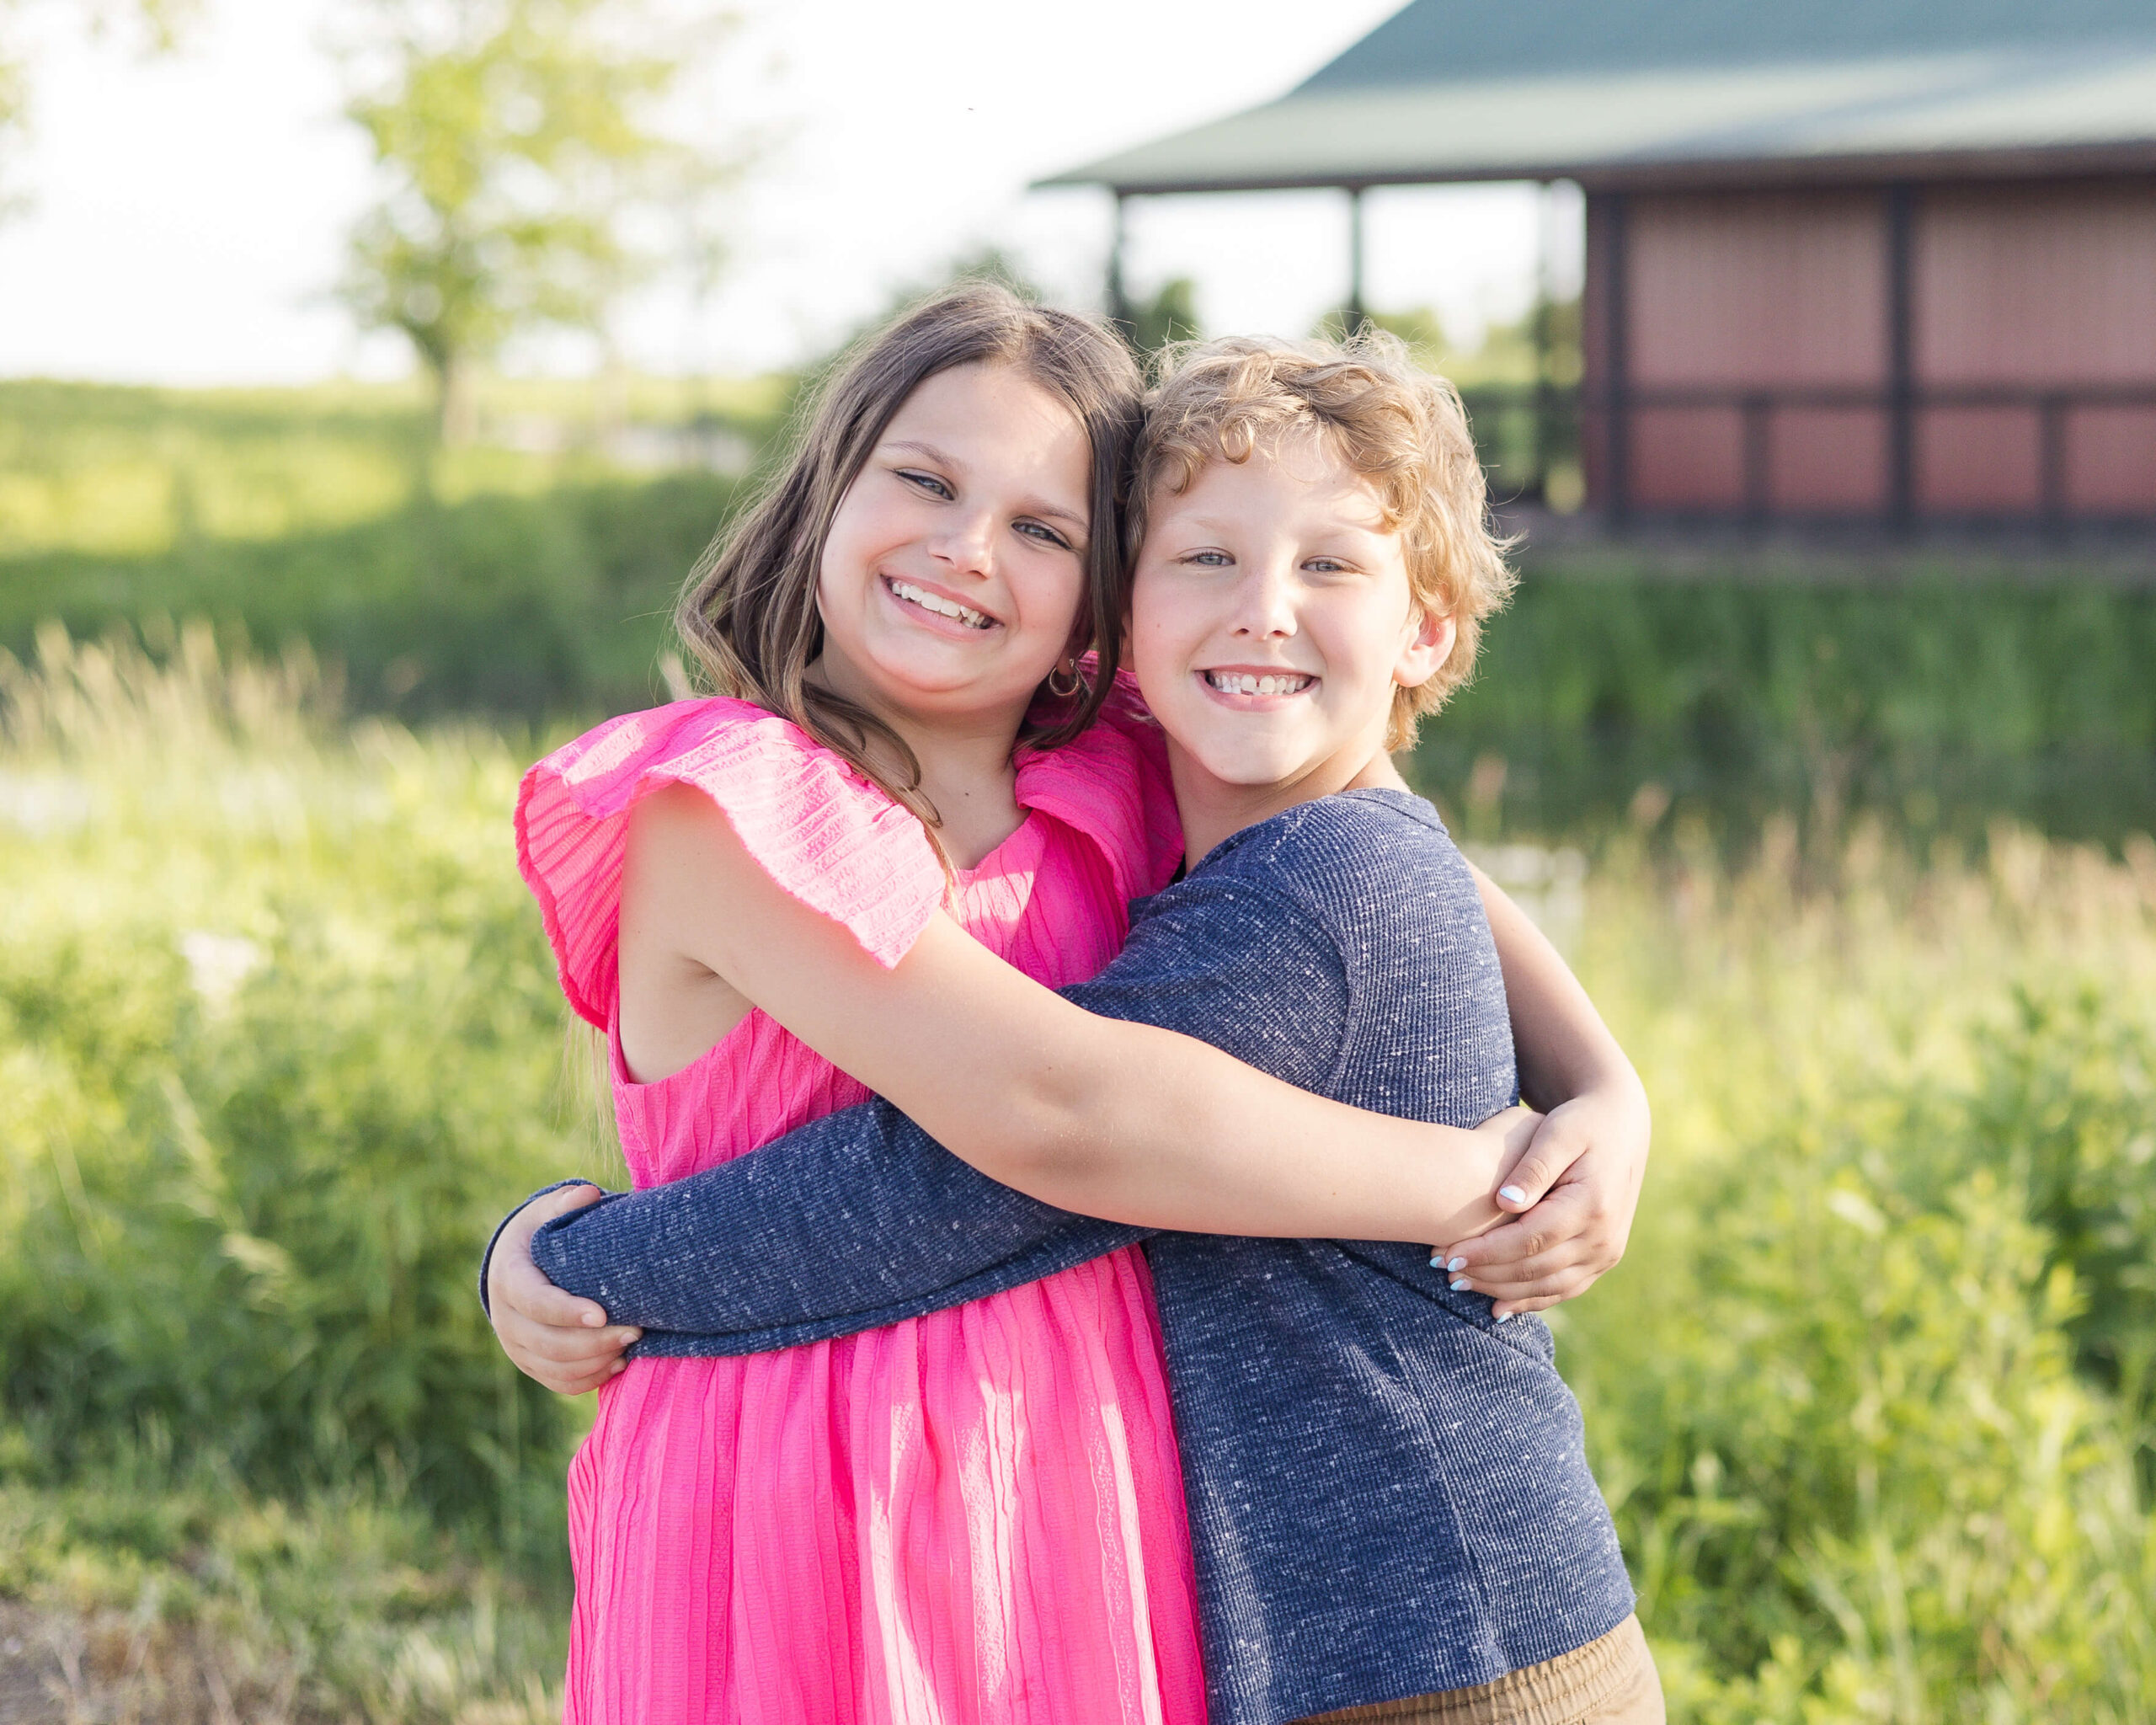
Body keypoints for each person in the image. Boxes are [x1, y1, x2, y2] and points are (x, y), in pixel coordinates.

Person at [492, 293, 1650, 1723]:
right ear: (823, 494)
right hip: (797, 1499)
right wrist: (1478, 1177)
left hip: (1089, 1512)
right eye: (924, 481)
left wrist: (1605, 1087)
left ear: (1101, 592)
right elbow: (1055, 1115)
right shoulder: (733, 809)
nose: (968, 549)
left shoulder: (1118, 772)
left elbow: (1378, 837)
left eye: (1043, 530)